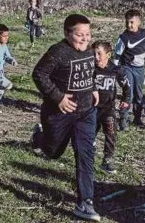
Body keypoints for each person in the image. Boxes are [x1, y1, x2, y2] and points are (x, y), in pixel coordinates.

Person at [31, 14, 101, 222]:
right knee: (53, 152)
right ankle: (39, 138)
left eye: (88, 34)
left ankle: (85, 202)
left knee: (85, 154)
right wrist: (58, 97)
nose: (85, 39)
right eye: (80, 35)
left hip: (86, 113)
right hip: (59, 114)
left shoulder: (88, 50)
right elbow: (39, 74)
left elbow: (91, 71)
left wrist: (94, 88)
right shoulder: (58, 52)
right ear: (67, 33)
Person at [113, 9, 145, 130]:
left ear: (138, 22)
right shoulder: (123, 37)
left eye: (131, 22)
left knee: (139, 95)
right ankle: (124, 120)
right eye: (127, 22)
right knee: (128, 94)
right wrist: (114, 71)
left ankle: (137, 118)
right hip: (127, 68)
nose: (129, 25)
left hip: (140, 69)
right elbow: (117, 55)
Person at [92, 40, 130, 175]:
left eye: (99, 54)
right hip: (91, 109)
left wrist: (126, 99)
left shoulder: (116, 69)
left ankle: (107, 160)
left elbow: (126, 86)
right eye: (94, 53)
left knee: (110, 132)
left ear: (108, 54)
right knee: (90, 134)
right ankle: (88, 155)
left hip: (108, 108)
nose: (96, 57)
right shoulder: (90, 68)